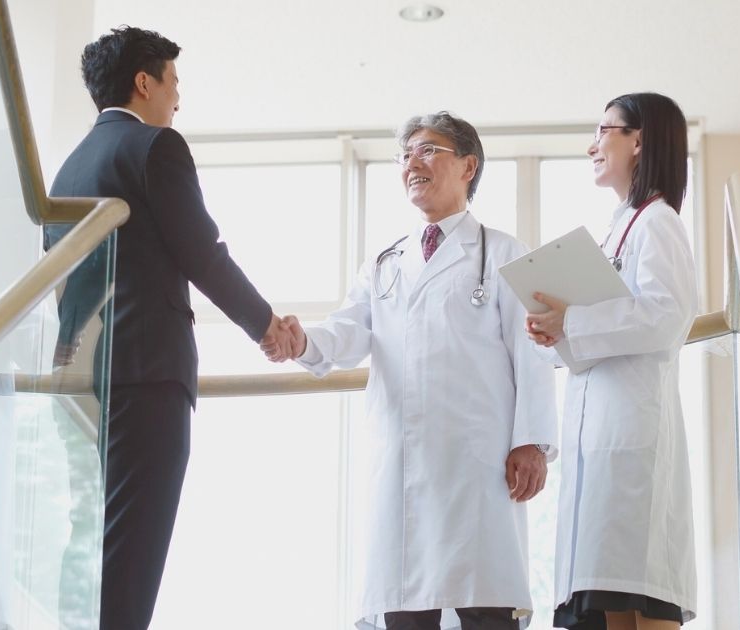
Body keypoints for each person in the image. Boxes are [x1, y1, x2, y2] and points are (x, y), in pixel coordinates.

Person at [43, 26, 296, 630]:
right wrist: (265, 325)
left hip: (80, 380)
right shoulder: (155, 146)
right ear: (144, 82)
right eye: (173, 82)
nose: (177, 98)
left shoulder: (68, 170)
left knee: (89, 547)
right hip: (146, 374)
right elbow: (201, 251)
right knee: (132, 554)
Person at [271, 112, 558, 630]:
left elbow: (532, 353)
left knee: (485, 606)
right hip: (403, 462)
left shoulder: (502, 252)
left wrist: (532, 442)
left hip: (477, 463)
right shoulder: (385, 262)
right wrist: (302, 341)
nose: (411, 164)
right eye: (405, 155)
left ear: (468, 166)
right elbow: (347, 331)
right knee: (405, 608)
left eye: (427, 150)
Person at [524, 92, 698, 630]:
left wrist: (573, 322)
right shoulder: (620, 226)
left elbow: (667, 314)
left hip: (631, 442)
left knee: (636, 598)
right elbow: (609, 329)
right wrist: (558, 333)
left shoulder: (658, 221)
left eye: (604, 131)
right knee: (607, 602)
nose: (592, 145)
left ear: (638, 141)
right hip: (601, 441)